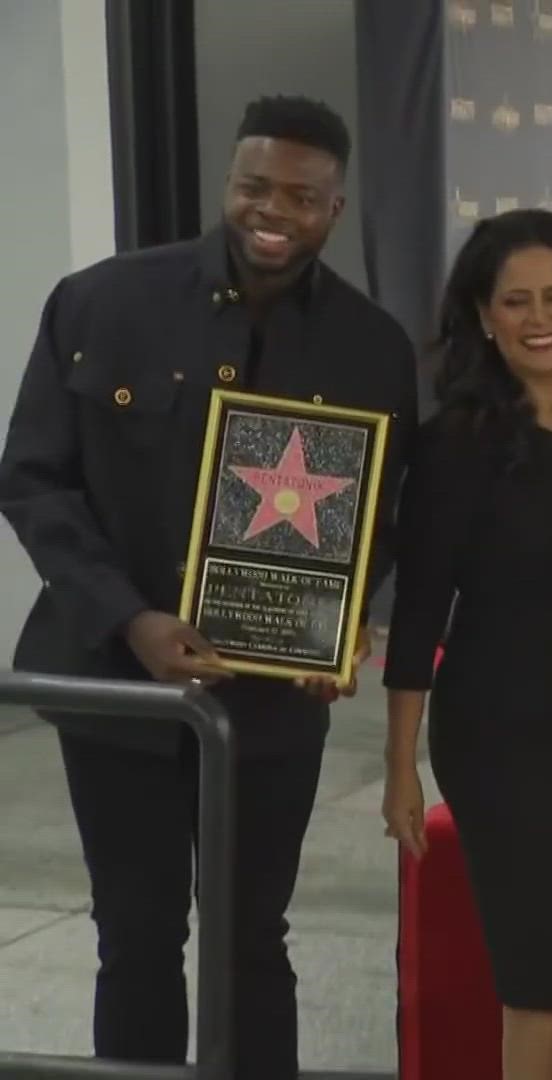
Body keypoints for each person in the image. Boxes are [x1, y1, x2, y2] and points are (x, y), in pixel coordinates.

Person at [0, 95, 417, 1078]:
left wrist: (341, 622)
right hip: (113, 686)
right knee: (135, 938)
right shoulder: (99, 302)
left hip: (275, 704)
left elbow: (385, 522)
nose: (274, 211)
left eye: (302, 197)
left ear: (336, 207)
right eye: (255, 186)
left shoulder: (373, 349)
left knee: (252, 938)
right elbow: (33, 477)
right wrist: (128, 616)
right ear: (228, 182)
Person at [379, 209, 552, 1080]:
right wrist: (400, 765)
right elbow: (417, 613)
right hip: (500, 739)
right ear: (483, 316)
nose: (540, 318)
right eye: (517, 300)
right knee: (541, 980)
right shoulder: (457, 443)